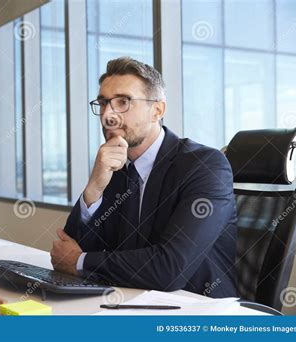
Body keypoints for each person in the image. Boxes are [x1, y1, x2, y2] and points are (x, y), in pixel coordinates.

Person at [50, 57, 237, 298]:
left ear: (157, 110)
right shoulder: (114, 167)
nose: (108, 115)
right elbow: (70, 250)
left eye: (123, 102)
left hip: (198, 309)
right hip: (132, 299)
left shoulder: (204, 166)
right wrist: (94, 187)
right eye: (103, 103)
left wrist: (80, 262)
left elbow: (170, 268)